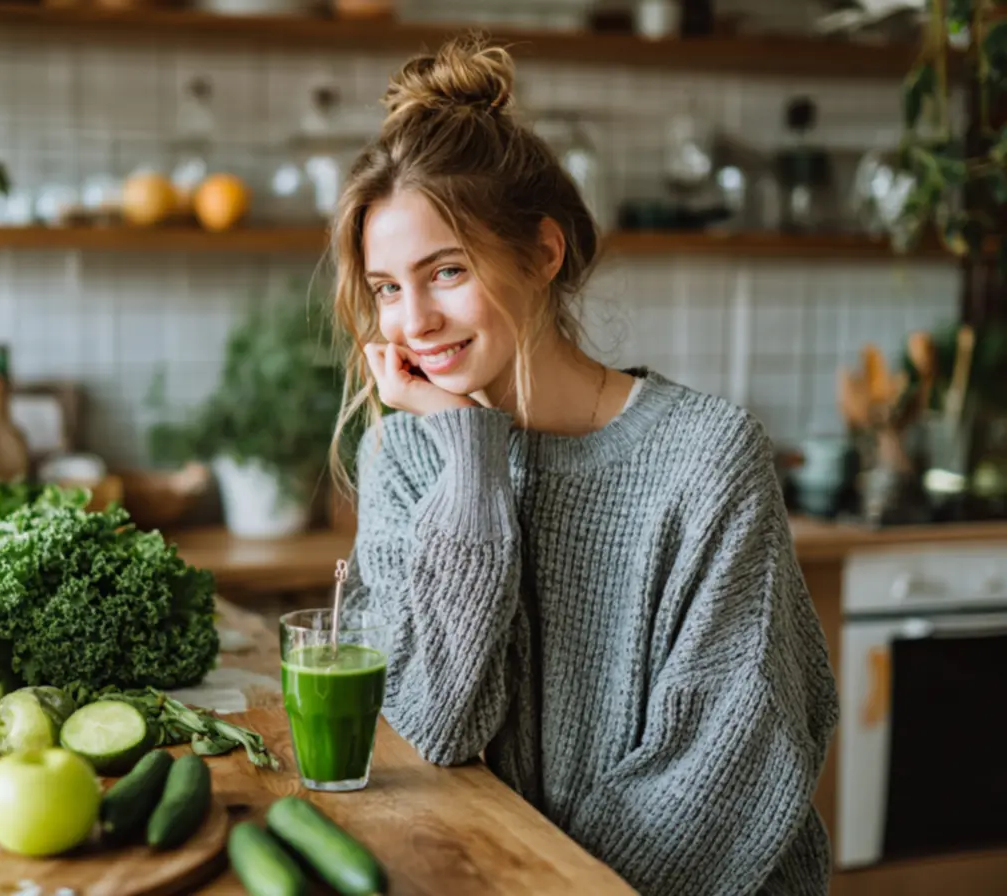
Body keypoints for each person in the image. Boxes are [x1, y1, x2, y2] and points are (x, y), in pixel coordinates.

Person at [327, 34, 840, 896]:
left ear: (543, 253)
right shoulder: (411, 455)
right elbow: (429, 727)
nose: (411, 321)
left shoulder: (707, 458)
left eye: (445, 271)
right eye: (386, 287)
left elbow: (722, 768)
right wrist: (472, 460)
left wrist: (548, 881)